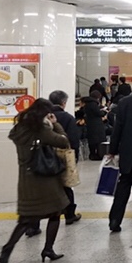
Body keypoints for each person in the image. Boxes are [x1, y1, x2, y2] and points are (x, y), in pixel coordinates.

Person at [0, 98, 70, 263]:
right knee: (56, 212)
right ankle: (48, 249)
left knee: (26, 218)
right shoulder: (40, 129)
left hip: (26, 179)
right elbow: (63, 142)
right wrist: (56, 124)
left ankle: (8, 248)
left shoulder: (20, 128)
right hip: (44, 179)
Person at [106, 83, 132, 233]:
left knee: (124, 185)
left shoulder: (125, 102)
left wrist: (112, 149)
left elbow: (118, 129)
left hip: (129, 151)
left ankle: (115, 220)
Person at [48, 90, 84, 225]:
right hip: (63, 156)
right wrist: (74, 157)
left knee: (43, 187)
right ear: (63, 103)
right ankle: (69, 215)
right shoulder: (68, 118)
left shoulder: (43, 117)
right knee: (66, 186)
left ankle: (33, 225)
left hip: (45, 156)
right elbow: (73, 139)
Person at [80, 87, 109, 161]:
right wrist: (104, 112)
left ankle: (93, 154)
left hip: (90, 123)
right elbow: (98, 113)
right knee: (98, 140)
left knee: (92, 140)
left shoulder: (87, 103)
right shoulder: (93, 104)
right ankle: (98, 154)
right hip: (96, 124)